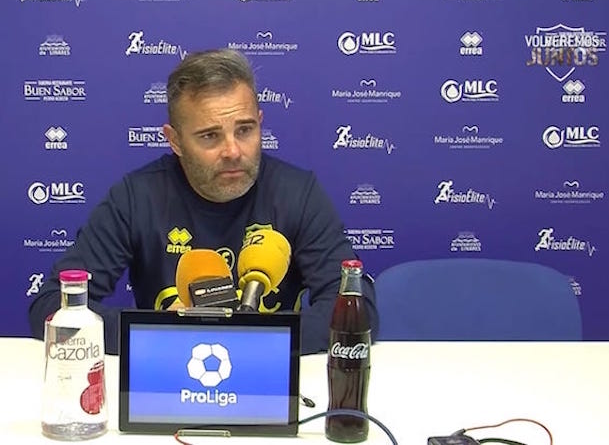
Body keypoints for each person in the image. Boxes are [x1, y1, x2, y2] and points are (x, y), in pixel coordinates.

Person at [28, 48, 378, 354]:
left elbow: (355, 305)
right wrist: (165, 332)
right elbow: (52, 306)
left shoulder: (298, 193)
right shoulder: (137, 197)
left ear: (260, 123)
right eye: (210, 136)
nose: (232, 151)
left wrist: (256, 339)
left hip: (268, 376)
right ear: (175, 141)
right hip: (168, 375)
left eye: (244, 130)